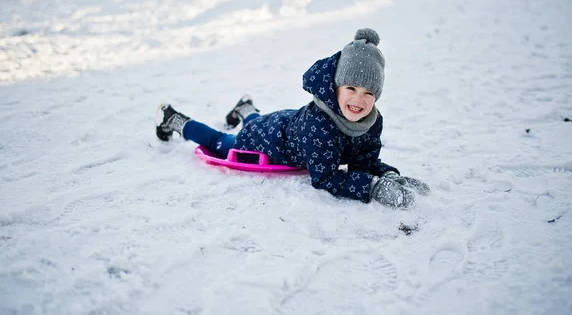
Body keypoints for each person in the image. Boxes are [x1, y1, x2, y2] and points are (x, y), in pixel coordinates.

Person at [155, 28, 430, 208]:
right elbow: (325, 177)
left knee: (259, 123)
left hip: (288, 124)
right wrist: (372, 188)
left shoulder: (371, 120)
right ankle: (175, 119)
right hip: (270, 141)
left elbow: (364, 160)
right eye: (350, 88)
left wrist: (389, 175)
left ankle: (246, 108)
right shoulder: (322, 127)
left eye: (369, 92)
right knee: (223, 141)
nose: (359, 100)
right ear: (334, 88)